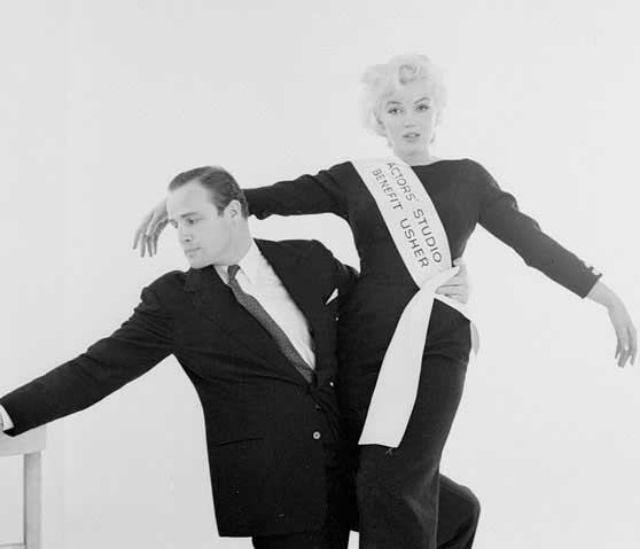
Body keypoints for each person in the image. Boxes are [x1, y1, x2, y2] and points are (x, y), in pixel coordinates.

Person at [133, 55, 637, 549]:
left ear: (438, 112)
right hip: (363, 342)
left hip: (433, 343)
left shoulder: (468, 177)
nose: (409, 120)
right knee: (379, 480)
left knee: (392, 482)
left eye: (421, 106)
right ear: (379, 119)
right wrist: (184, 205)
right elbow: (271, 199)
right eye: (395, 109)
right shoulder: (358, 178)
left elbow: (532, 243)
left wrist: (605, 296)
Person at [1, 165, 478, 549]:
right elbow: (94, 370)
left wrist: (445, 289)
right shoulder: (174, 301)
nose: (182, 236)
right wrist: (8, 411)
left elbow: (381, 307)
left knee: (457, 513)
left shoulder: (308, 259)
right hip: (279, 487)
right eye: (174, 225)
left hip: (350, 463)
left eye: (192, 220)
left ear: (233, 213)